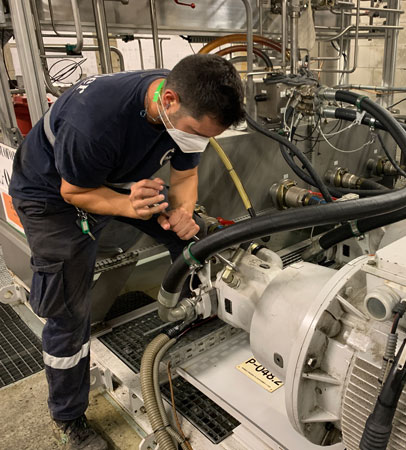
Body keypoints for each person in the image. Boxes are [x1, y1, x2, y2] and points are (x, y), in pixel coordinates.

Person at [8, 54, 245, 449]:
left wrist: (184, 212)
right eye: (194, 132)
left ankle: (190, 316)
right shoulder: (94, 121)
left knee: (192, 241)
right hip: (52, 197)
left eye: (206, 137)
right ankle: (68, 417)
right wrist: (126, 205)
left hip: (120, 183)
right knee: (69, 309)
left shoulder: (187, 105)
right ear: (168, 100)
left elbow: (186, 174)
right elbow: (74, 192)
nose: (197, 141)